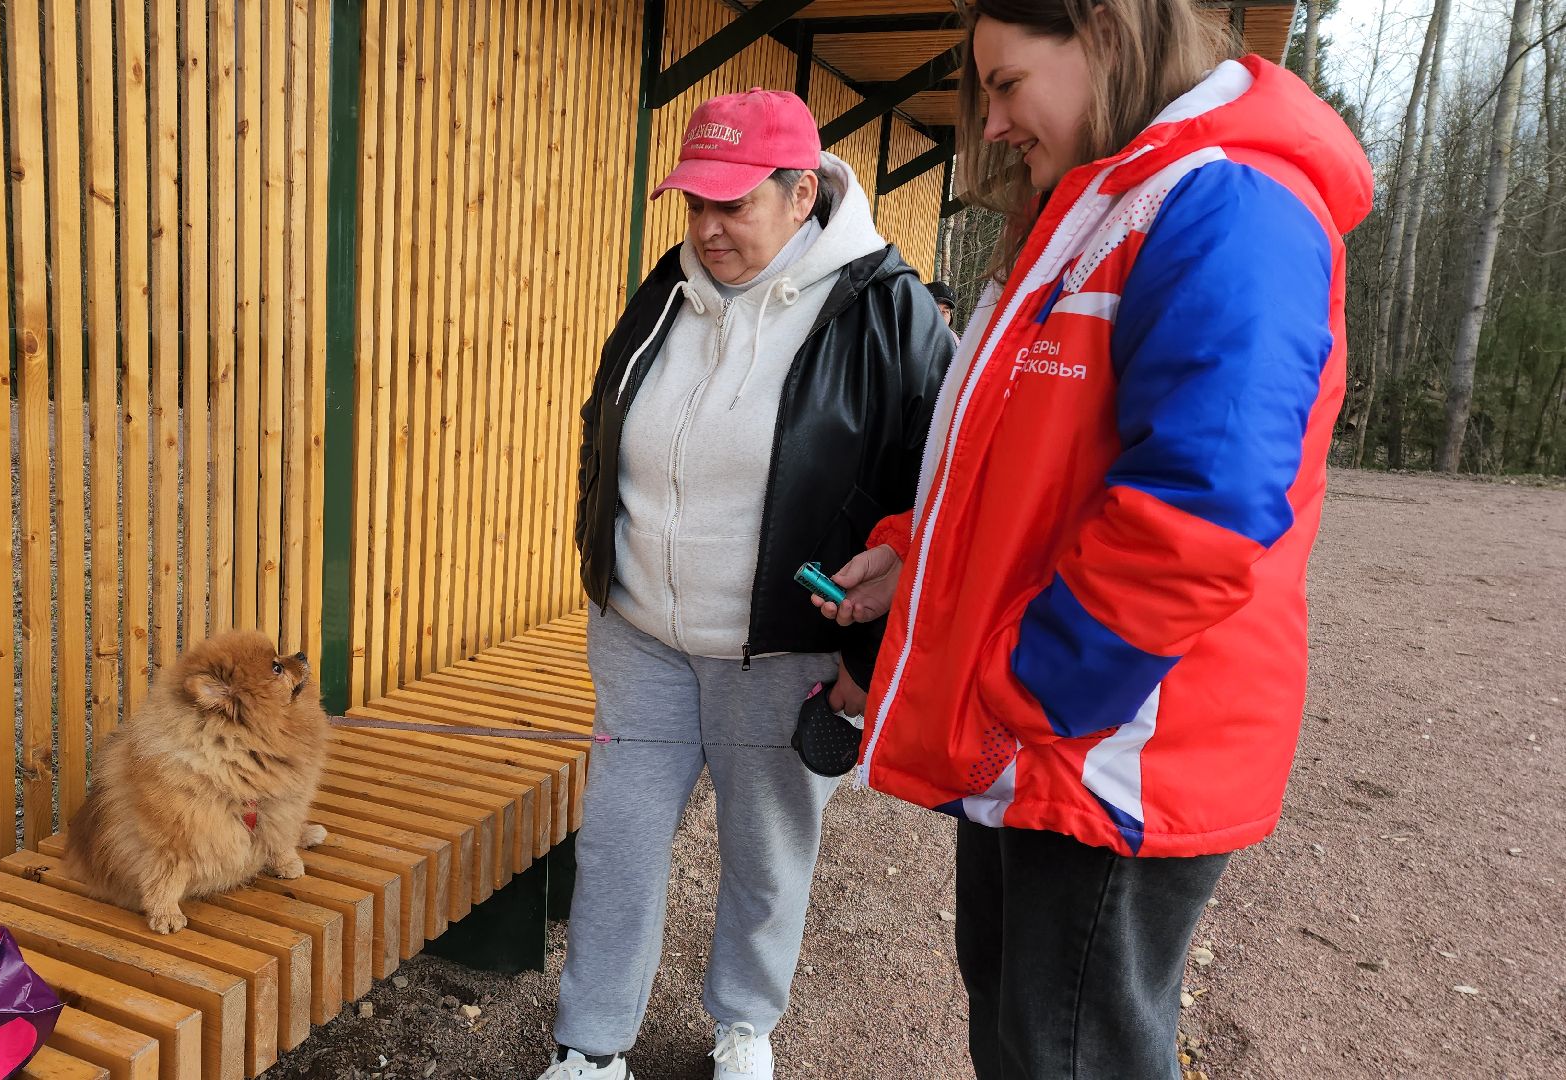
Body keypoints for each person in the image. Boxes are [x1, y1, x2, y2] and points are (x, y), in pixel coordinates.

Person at [814, 1, 1373, 1076]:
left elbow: (1203, 510)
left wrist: (1031, 688)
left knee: (1064, 1052)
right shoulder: (1103, 206)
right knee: (1023, 1036)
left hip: (1105, 748)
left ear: (1105, 36)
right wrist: (913, 552)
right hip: (1050, 736)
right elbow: (1022, 462)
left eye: (1006, 83)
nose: (991, 123)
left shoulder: (1228, 206)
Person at [549, 88, 954, 1080]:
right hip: (639, 629)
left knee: (766, 850)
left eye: (732, 203)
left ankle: (743, 1023)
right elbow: (608, 424)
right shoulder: (668, 287)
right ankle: (591, 1044)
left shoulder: (889, 308)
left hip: (780, 646)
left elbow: (937, 495)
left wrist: (867, 656)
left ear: (801, 192)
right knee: (617, 844)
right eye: (695, 203)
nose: (707, 228)